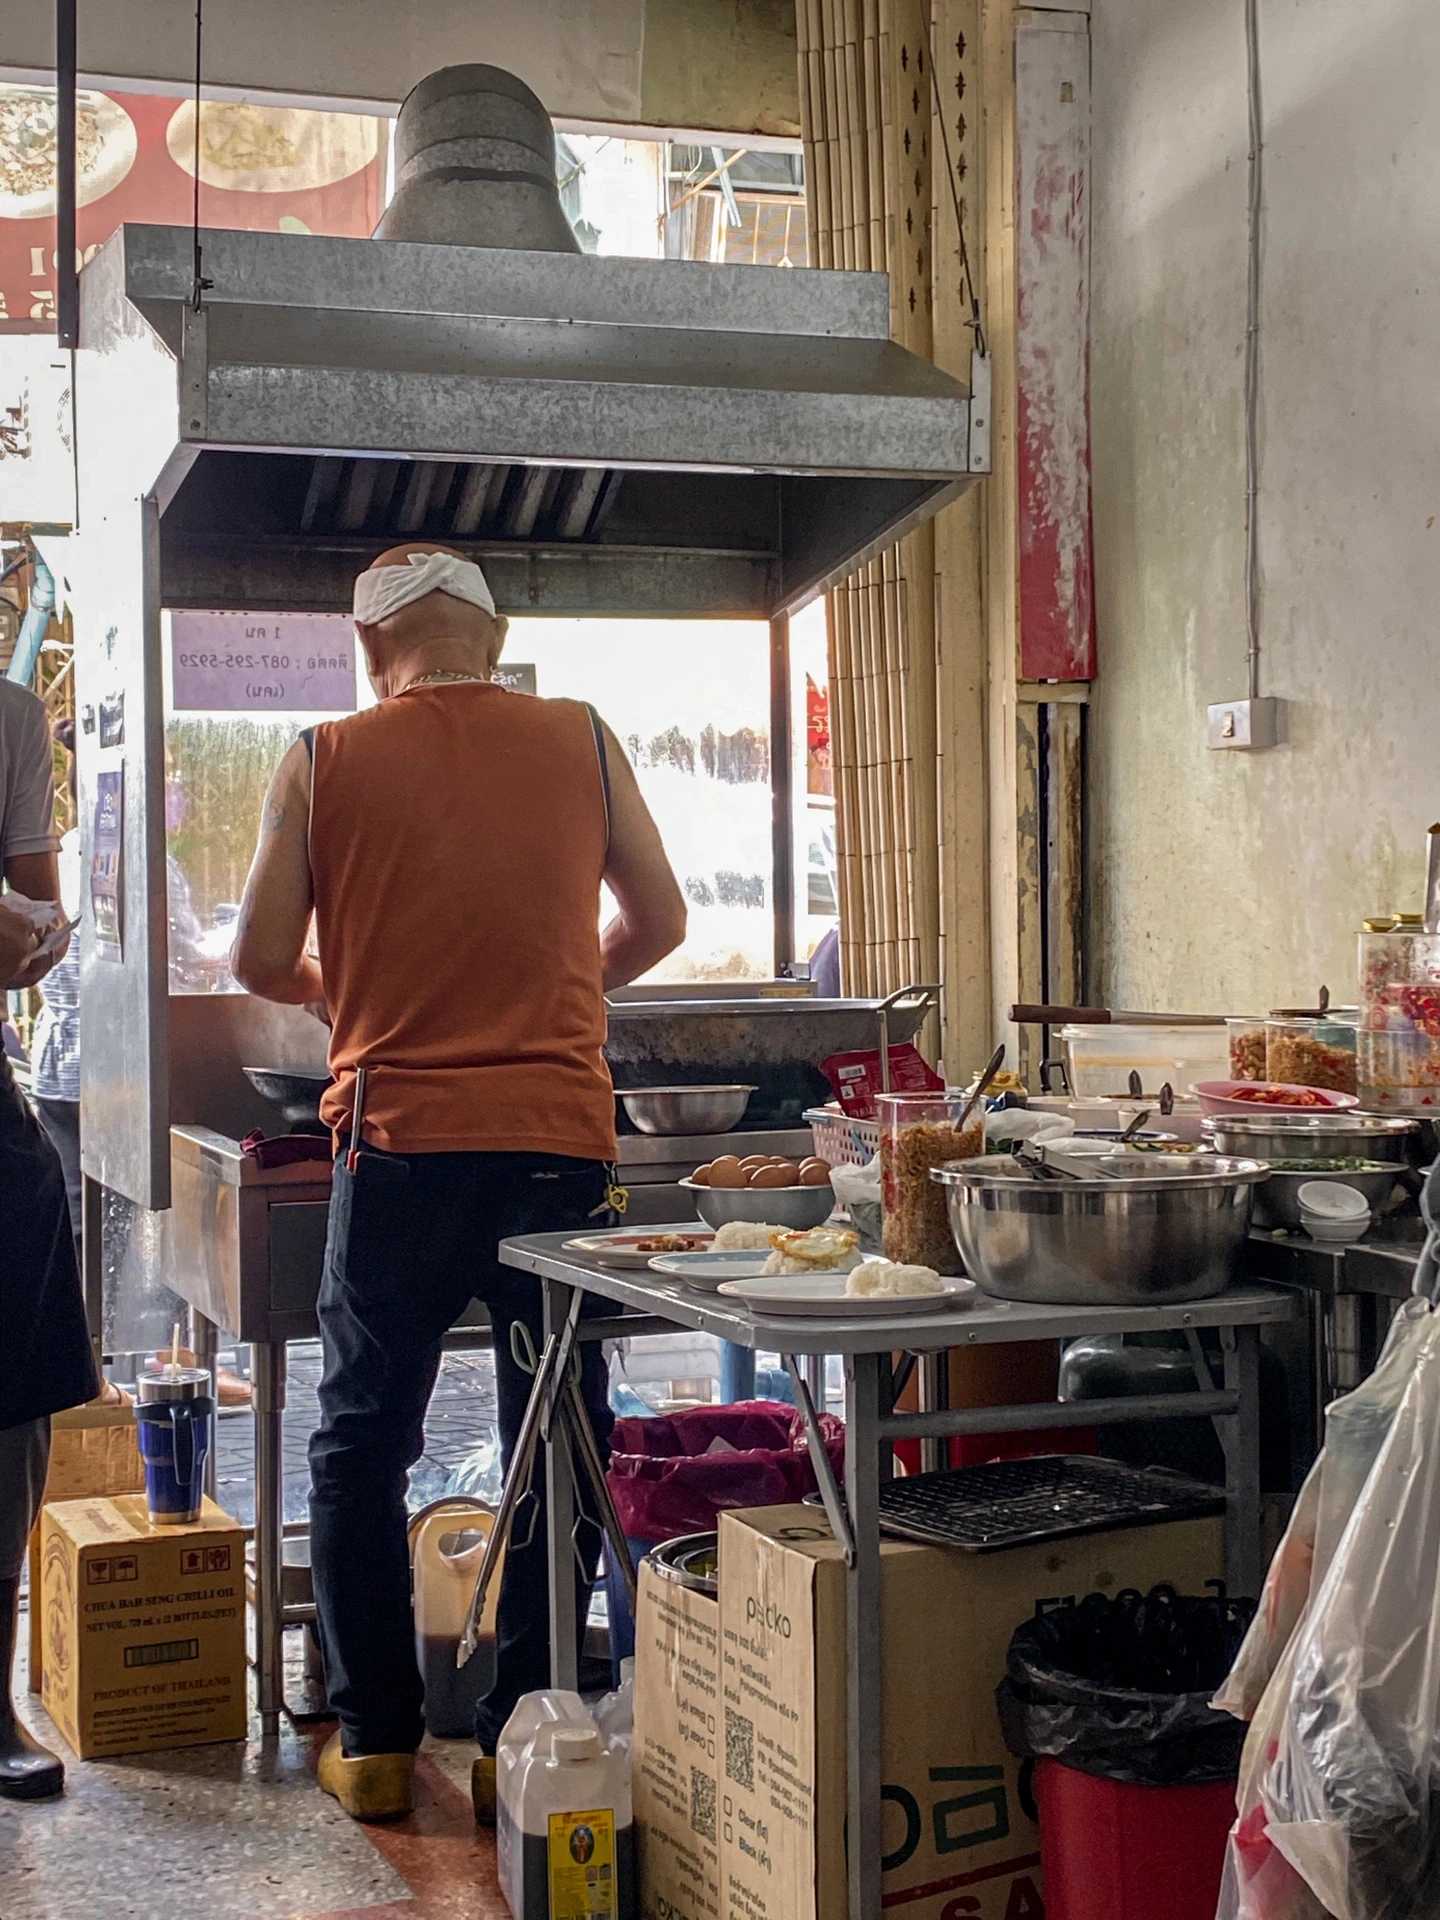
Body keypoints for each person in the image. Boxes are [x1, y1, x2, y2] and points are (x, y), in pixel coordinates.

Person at [232, 542, 686, 1822]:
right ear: (493, 639)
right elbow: (658, 921)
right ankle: (522, 1732)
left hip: (401, 1147)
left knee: (364, 1432)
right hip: (557, 1141)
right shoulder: (582, 739)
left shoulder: (324, 757)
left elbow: (264, 956)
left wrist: (358, 990)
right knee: (559, 1426)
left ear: (374, 652)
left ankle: (376, 1741)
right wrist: (555, 991)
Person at [0, 679, 98, 1802]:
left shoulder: (12, 719)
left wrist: (36, 935)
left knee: (18, 1389)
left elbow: (39, 910)